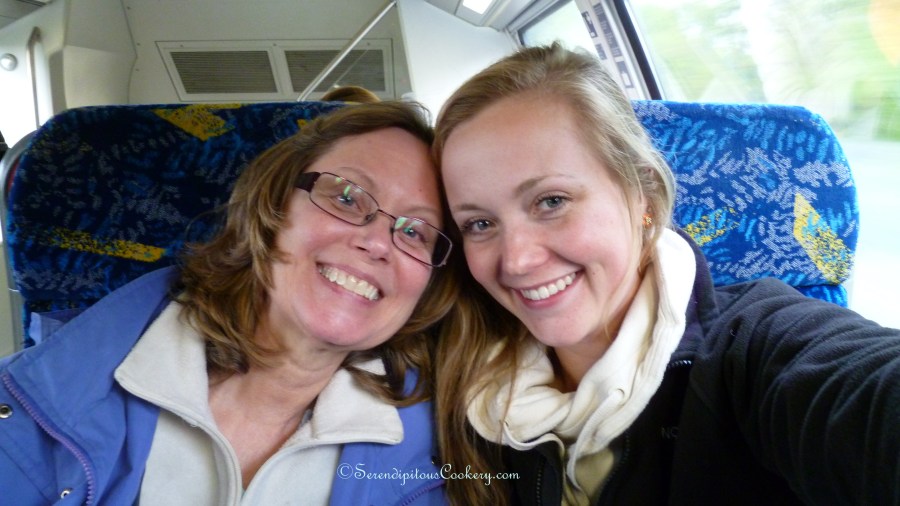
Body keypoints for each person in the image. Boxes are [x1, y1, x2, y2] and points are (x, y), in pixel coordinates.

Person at [432, 42, 900, 506]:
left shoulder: (752, 349)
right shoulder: (467, 378)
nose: (516, 261)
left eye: (551, 201)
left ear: (643, 196)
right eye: (480, 224)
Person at [0, 101, 456, 505]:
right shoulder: (25, 408)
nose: (377, 242)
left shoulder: (452, 460)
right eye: (346, 197)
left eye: (414, 232)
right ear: (272, 206)